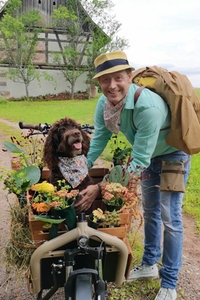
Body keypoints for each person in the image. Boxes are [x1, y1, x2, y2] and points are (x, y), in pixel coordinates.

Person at [74, 50, 191, 300]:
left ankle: (169, 282)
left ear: (130, 76)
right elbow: (99, 140)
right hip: (149, 156)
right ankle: (149, 264)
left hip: (173, 154)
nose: (112, 85)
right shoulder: (104, 104)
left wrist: (99, 187)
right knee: (150, 211)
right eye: (105, 80)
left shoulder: (147, 106)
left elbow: (138, 162)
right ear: (99, 83)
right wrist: (80, 172)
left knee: (170, 217)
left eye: (118, 78)